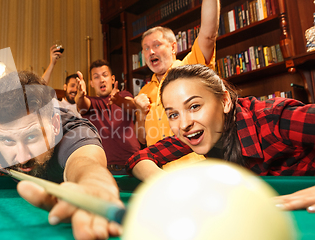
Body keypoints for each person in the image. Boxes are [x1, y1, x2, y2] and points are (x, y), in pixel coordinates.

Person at [0, 70, 122, 240]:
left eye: (31, 137)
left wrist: (95, 186)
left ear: (55, 126)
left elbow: (85, 162)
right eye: (7, 140)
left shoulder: (74, 133)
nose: (22, 158)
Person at [127, 64, 315, 182]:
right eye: (173, 114)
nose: (184, 124)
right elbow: (139, 158)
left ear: (225, 101)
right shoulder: (195, 134)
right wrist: (166, 185)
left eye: (194, 106)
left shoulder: (273, 120)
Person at [133, 0, 220, 169]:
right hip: (162, 179)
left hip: (198, 171)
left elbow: (208, 33)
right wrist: (139, 114)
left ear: (173, 47)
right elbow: (143, 140)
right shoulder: (144, 91)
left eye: (156, 45)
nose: (150, 51)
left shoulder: (192, 68)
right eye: (145, 48)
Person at [76, 60, 140, 174]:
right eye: (96, 77)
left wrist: (118, 100)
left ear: (113, 79)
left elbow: (133, 107)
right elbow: (82, 105)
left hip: (134, 163)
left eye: (105, 75)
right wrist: (80, 95)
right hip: (105, 168)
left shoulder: (124, 95)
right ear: (91, 83)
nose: (101, 80)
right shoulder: (91, 102)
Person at [41, 45, 81, 117]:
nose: (75, 90)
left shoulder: (84, 108)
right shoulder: (56, 104)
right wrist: (52, 63)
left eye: (78, 87)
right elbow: (40, 88)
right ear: (65, 87)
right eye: (72, 85)